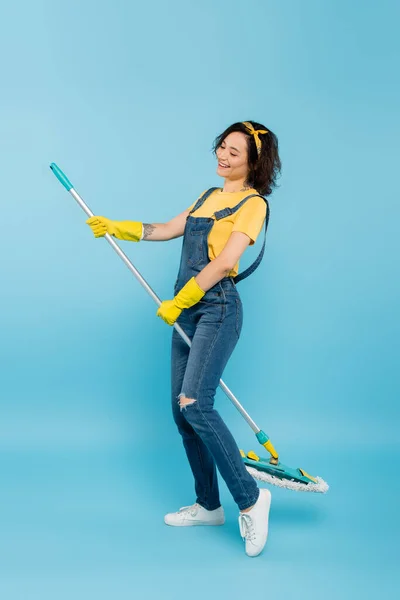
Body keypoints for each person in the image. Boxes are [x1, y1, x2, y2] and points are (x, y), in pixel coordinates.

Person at [86, 121, 282, 557]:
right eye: (221, 147)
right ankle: (208, 504)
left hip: (216, 310)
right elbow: (167, 228)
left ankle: (251, 499)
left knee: (197, 403)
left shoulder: (253, 204)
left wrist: (185, 298)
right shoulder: (208, 196)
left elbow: (228, 259)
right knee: (180, 411)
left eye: (234, 151)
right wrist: (121, 227)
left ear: (253, 160)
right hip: (188, 311)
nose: (223, 156)